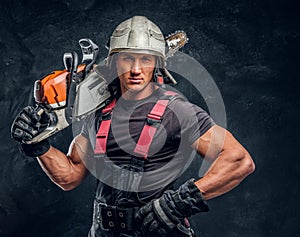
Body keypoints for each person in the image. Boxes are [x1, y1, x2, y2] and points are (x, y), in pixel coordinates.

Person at [11, 16, 255, 237]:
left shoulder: (177, 110)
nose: (136, 69)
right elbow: (70, 176)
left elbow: (238, 160)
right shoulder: (97, 114)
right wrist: (38, 145)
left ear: (158, 63)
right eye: (128, 58)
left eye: (145, 59)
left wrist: (180, 202)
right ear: (115, 62)